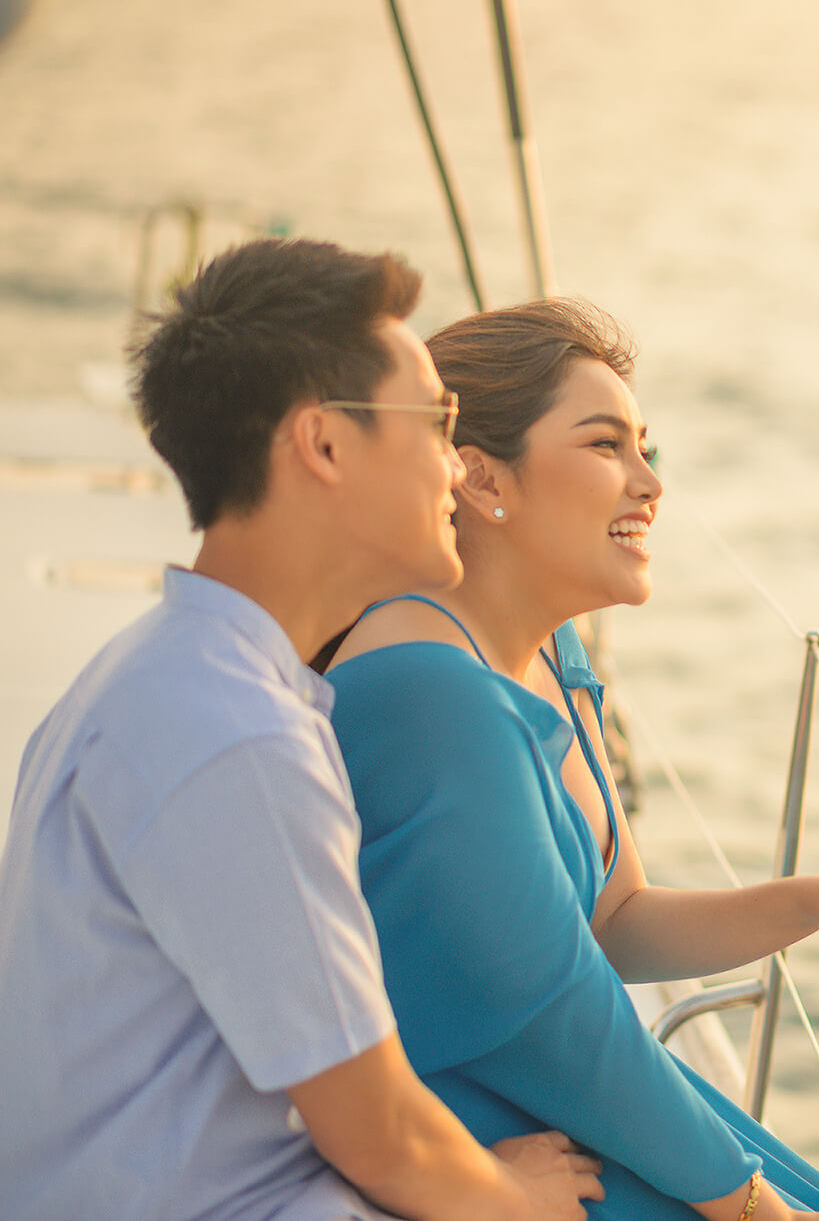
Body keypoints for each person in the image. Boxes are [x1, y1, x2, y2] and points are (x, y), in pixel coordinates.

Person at [0, 239, 605, 1221]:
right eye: (438, 421)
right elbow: (380, 1136)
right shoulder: (237, 737)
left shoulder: (170, 672)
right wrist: (512, 1194)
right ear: (324, 444)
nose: (457, 465)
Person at [323, 297, 819, 1221]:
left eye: (645, 449)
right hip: (479, 1147)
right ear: (480, 478)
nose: (649, 484)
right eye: (604, 446)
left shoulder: (547, 651)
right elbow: (557, 1018)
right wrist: (751, 1207)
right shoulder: (433, 692)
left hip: (566, 1110)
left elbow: (616, 922)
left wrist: (807, 901)